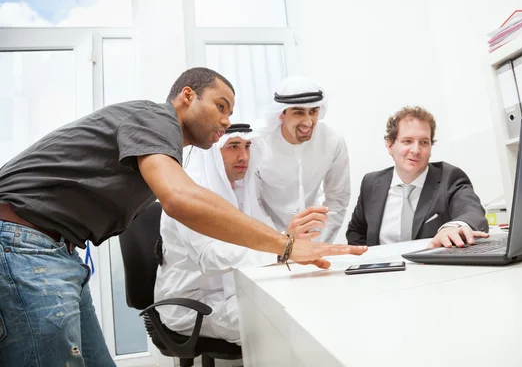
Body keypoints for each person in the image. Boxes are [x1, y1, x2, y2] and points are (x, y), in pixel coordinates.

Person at [0, 67, 366, 366]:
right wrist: (286, 246)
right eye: (221, 107)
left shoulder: (171, 161)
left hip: (55, 251)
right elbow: (181, 200)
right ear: (187, 96)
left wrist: (284, 241)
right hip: (22, 243)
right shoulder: (153, 118)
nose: (226, 121)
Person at [154, 123, 325, 344]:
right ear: (212, 154)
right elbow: (211, 257)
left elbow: (260, 239)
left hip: (233, 294)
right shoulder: (188, 197)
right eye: (233, 146)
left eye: (247, 146)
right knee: (288, 323)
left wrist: (286, 238)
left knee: (309, 299)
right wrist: (283, 248)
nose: (243, 156)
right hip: (194, 304)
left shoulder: (243, 191)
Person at [346, 106, 489, 248]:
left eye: (424, 142)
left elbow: (472, 211)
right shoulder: (371, 183)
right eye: (407, 141)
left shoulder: (450, 178)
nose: (416, 150)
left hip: (431, 267)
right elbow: (356, 232)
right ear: (390, 145)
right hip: (383, 268)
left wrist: (452, 227)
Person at [252, 76, 351, 243]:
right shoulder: (258, 145)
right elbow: (254, 203)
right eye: (298, 112)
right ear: (281, 114)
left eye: (313, 111)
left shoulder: (333, 141)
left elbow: (338, 198)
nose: (308, 121)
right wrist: (281, 243)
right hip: (268, 242)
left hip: (315, 241)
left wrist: (318, 242)